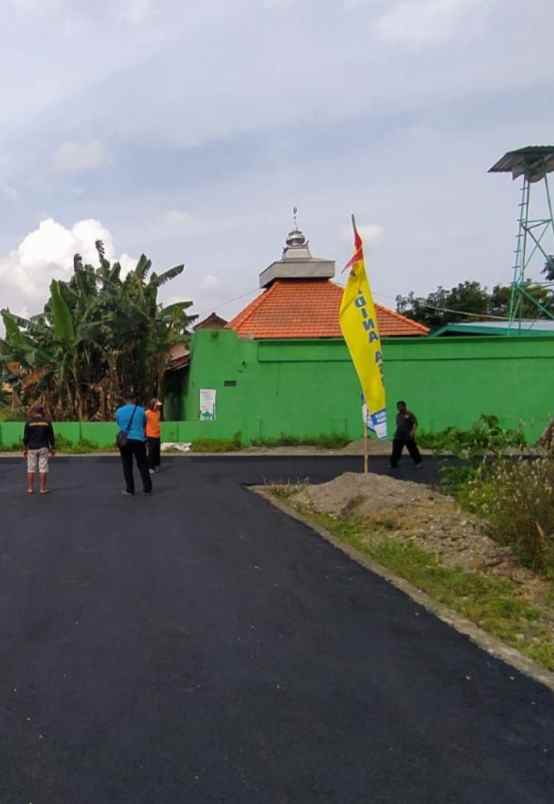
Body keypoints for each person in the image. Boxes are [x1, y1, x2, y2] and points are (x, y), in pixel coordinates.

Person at [115, 395, 152, 496]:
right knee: (143, 464)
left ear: (125, 400)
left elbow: (118, 423)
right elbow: (144, 423)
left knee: (127, 465)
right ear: (134, 400)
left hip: (125, 441)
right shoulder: (141, 410)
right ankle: (147, 488)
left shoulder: (119, 411)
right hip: (139, 440)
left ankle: (130, 490)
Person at [23, 405, 56, 495]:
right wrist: (52, 448)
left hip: (31, 448)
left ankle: (30, 489)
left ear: (34, 411)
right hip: (43, 447)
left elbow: (26, 437)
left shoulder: (29, 422)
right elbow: (51, 436)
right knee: (43, 469)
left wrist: (25, 449)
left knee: (30, 469)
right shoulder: (47, 422)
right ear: (42, 412)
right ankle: (42, 489)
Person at [391, 400, 422, 469]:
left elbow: (415, 424)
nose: (399, 408)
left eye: (400, 406)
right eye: (398, 407)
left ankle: (418, 463)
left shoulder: (409, 414)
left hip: (408, 436)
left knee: (413, 450)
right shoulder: (398, 415)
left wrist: (412, 432)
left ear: (404, 406)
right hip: (398, 436)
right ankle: (393, 464)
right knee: (396, 450)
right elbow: (399, 425)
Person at [146, 398, 162, 474]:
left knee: (157, 452)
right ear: (152, 405)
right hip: (150, 435)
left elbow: (157, 422)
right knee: (151, 453)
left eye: (159, 405)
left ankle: (157, 465)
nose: (158, 407)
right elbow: (143, 423)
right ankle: (150, 467)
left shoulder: (158, 412)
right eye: (157, 405)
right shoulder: (147, 413)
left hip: (157, 435)